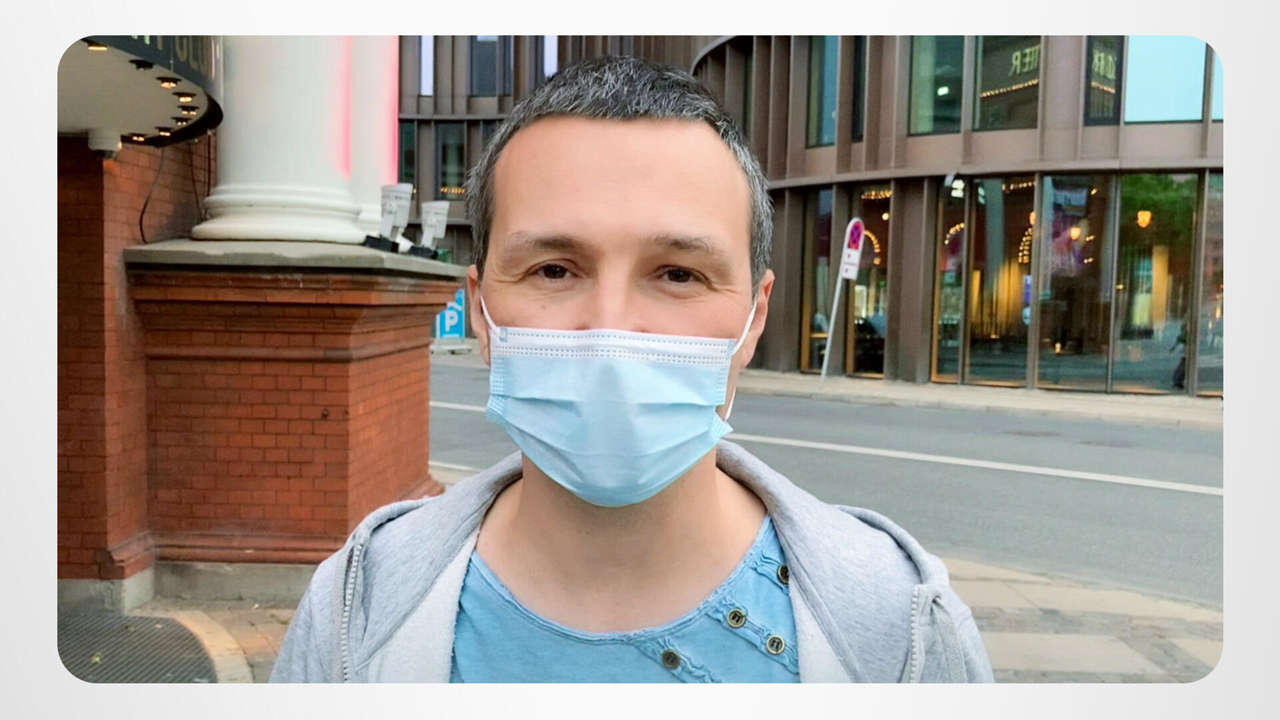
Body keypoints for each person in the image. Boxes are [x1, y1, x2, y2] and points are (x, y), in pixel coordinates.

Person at [270, 56, 992, 684]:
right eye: (555, 269)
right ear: (481, 312)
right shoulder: (353, 615)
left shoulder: (903, 631)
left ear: (755, 317)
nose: (610, 327)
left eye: (678, 274)